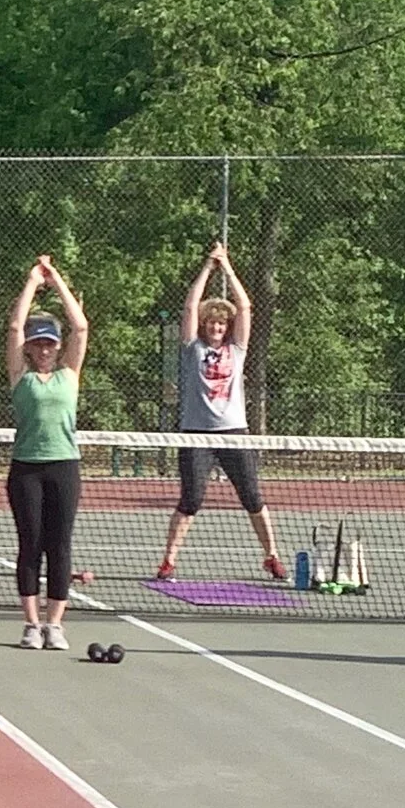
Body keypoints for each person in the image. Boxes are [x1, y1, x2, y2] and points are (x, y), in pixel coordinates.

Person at [157, 241, 284, 582]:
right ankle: (168, 560)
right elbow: (189, 307)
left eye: (220, 325)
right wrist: (207, 269)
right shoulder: (192, 349)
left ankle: (271, 556)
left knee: (253, 496)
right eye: (211, 324)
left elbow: (244, 307)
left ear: (226, 328)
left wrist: (226, 265)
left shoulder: (237, 349)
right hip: (196, 435)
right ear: (204, 326)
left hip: (234, 433)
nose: (216, 328)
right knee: (191, 500)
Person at [5, 255, 86, 651]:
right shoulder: (21, 376)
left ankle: (56, 625)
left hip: (64, 466)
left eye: (49, 343)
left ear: (57, 347)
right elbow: (15, 325)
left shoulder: (69, 374)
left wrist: (58, 283)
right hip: (26, 469)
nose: (43, 349)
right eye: (38, 343)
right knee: (30, 543)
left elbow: (81, 326)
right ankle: (31, 624)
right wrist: (33, 282)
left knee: (60, 544)